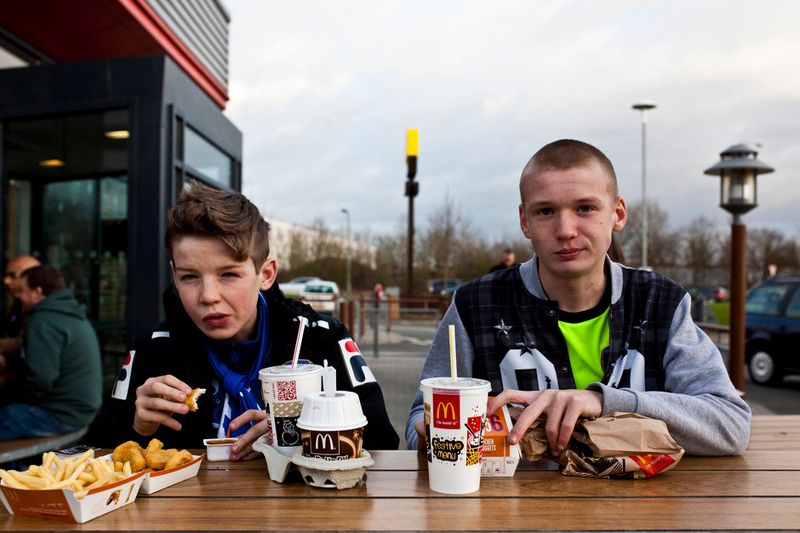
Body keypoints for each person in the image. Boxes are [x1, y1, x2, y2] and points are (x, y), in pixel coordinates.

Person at [406, 139, 751, 456]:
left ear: (617, 213)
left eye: (585, 208)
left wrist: (602, 401)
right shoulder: (473, 305)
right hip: (509, 514)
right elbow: (419, 420)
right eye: (545, 211)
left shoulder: (661, 302)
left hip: (642, 514)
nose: (566, 230)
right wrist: (432, 433)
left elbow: (730, 426)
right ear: (524, 220)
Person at [104, 182, 398, 458]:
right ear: (174, 276)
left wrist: (295, 437)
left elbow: (383, 443)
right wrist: (137, 428)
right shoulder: (153, 351)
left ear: (266, 274)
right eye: (189, 277)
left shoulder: (320, 340)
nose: (208, 296)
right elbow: (98, 452)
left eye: (228, 275)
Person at [0, 266, 102, 439]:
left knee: (7, 415)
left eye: (22, 291)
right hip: (82, 411)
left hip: (62, 414)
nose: (17, 296)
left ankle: (16, 466)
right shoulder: (69, 313)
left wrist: (5, 391)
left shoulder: (43, 320)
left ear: (37, 292)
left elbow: (39, 381)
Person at [0, 255, 41, 372]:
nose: (6, 281)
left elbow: (28, 342)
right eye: (6, 275)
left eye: (14, 276)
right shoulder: (17, 304)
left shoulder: (45, 310)